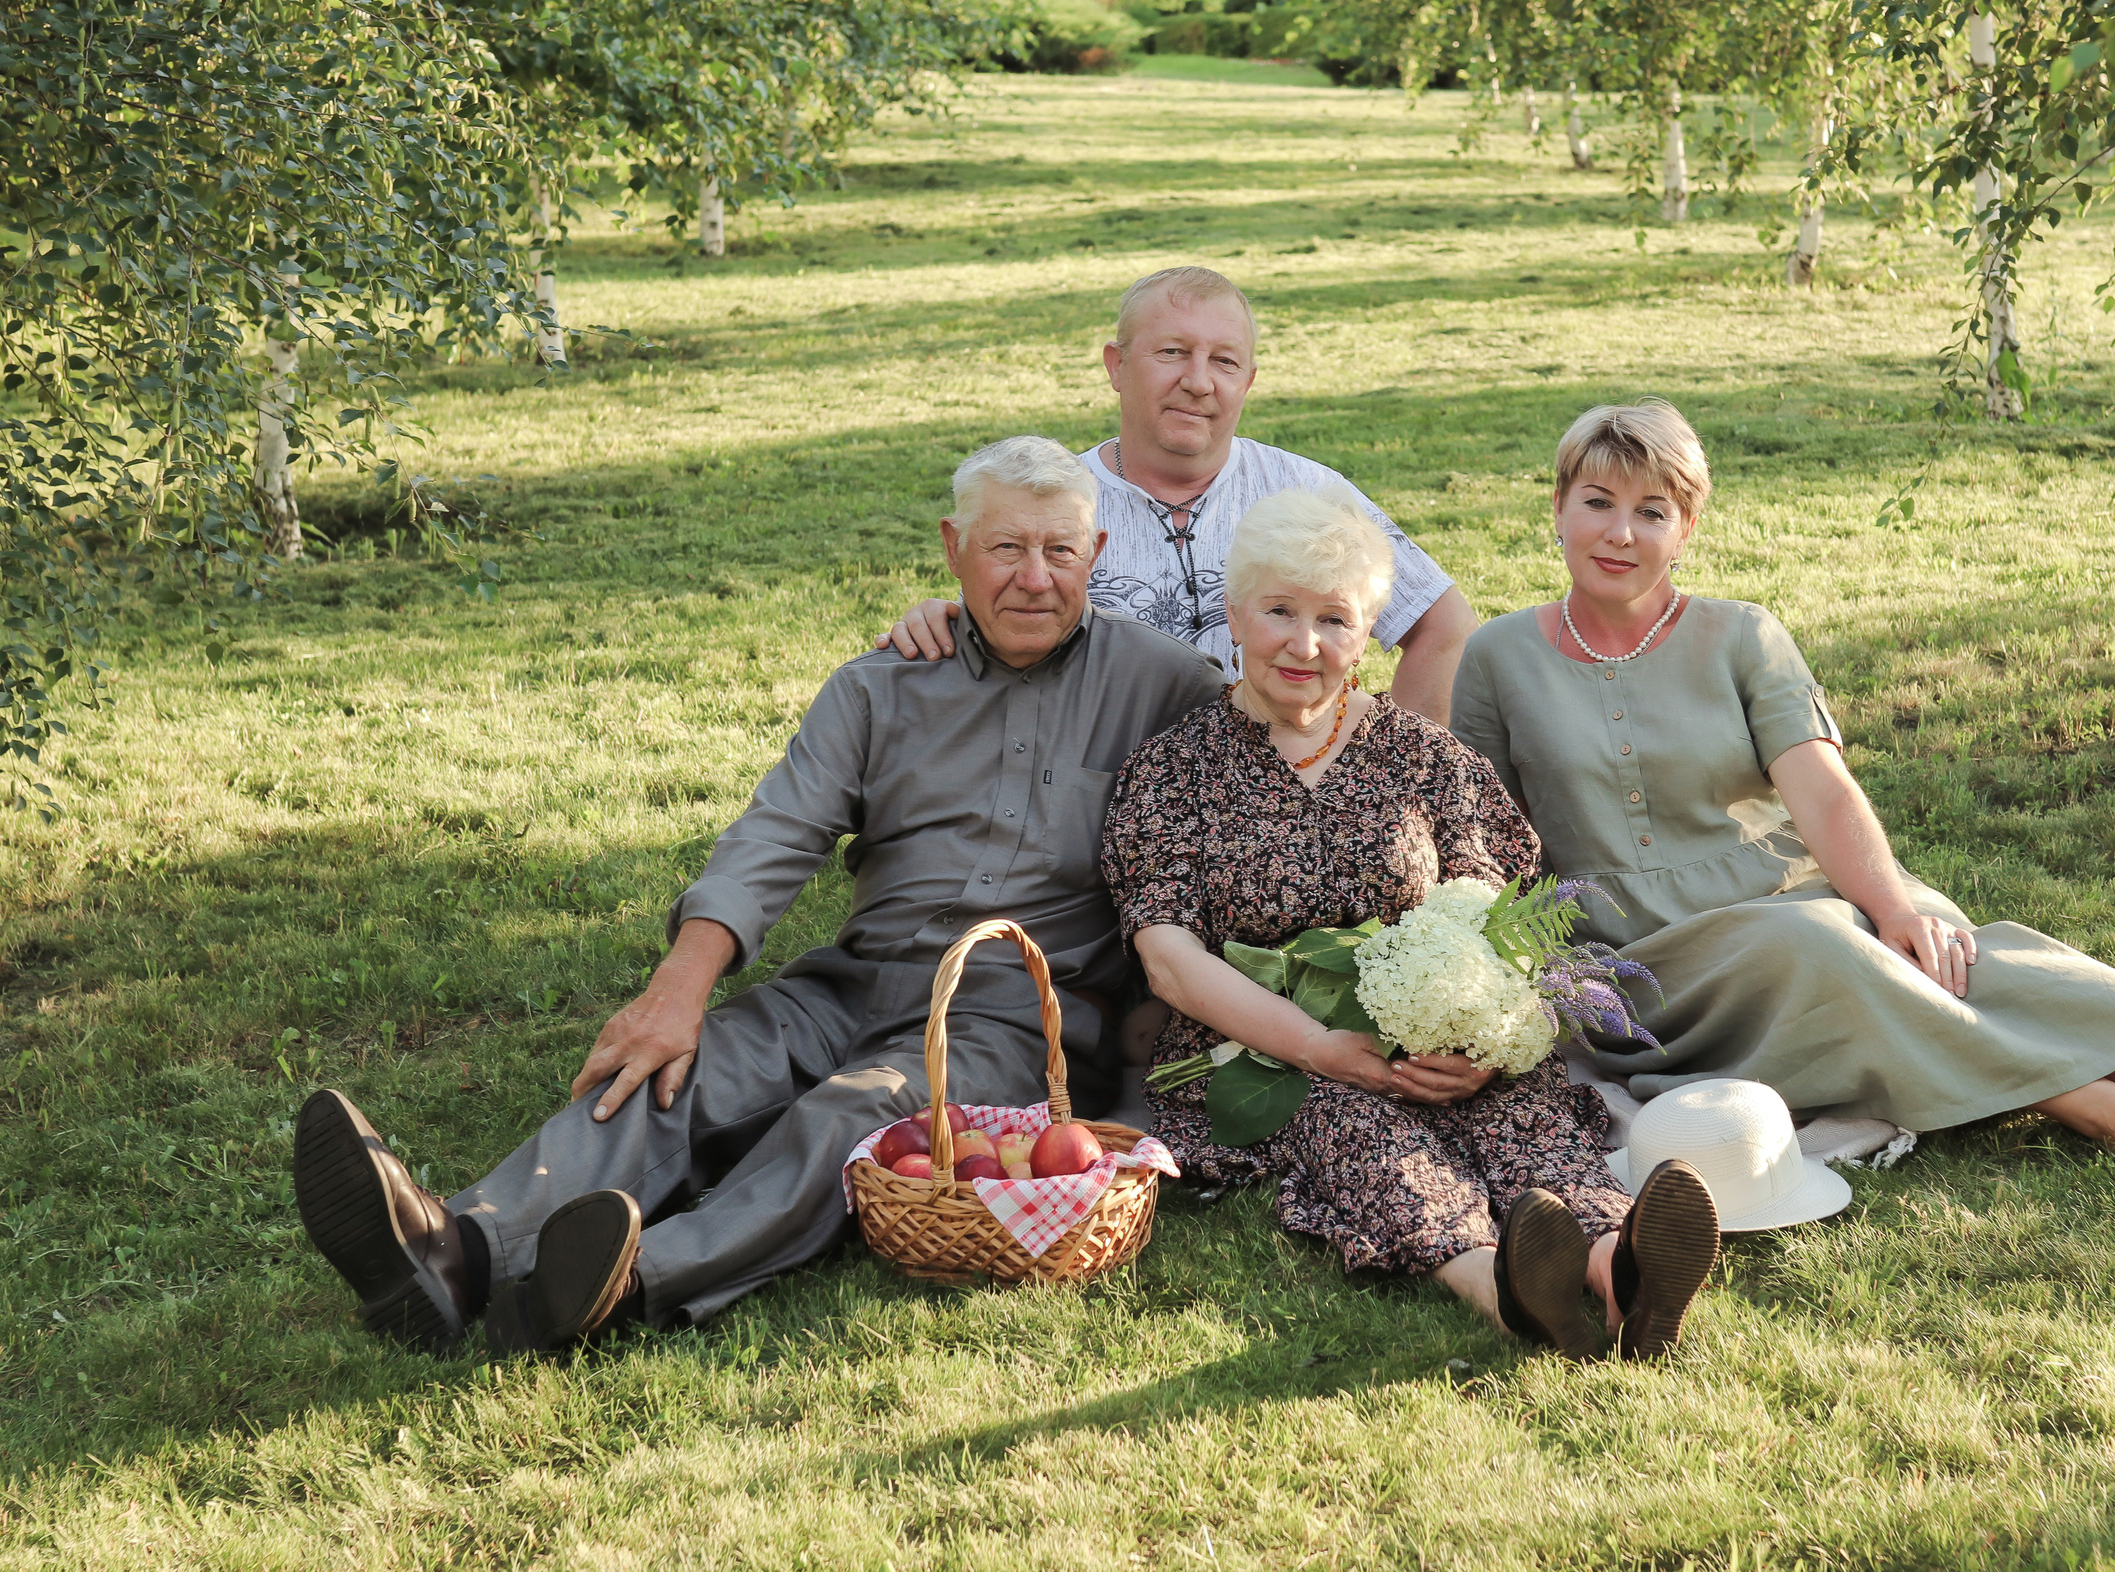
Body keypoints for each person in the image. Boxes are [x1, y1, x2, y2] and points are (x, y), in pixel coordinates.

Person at [292, 437, 1227, 1355]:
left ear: (1095, 555)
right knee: (682, 1075)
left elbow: (1284, 731)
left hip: (1011, 1017)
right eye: (1006, 548)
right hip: (850, 981)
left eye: (1060, 550)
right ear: (953, 549)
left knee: (854, 1117)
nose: (1035, 577)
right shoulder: (879, 686)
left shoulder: (1169, 686)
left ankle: (627, 1279)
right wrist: (678, 992)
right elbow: (778, 832)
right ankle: (453, 1248)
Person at [1448, 401, 2115, 1205]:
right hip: (1638, 957)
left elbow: (1819, 788)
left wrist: (1896, 901)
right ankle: (2104, 1111)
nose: (1621, 532)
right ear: (1558, 507)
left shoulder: (1744, 637)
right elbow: (1481, 843)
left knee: (1969, 960)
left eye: (1652, 509)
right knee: (1828, 950)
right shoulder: (1496, 656)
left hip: (1789, 888)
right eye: (1597, 501)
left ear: (1687, 527)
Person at [1101, 487, 1724, 1361]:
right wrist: (1318, 1045)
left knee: (1524, 1113)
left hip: (1438, 1040)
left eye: (1336, 619)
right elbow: (1168, 958)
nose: (1305, 644)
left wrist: (1475, 1039)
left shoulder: (1425, 758)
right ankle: (1502, 1285)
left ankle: (1623, 1266)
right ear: (1236, 612)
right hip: (1269, 1053)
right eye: (1280, 611)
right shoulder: (1173, 771)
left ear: (1368, 634)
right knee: (1358, 1128)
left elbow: (1495, 905)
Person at [876, 266, 1482, 725]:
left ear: (1248, 381)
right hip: (1106, 816)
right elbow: (1001, 637)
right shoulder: (1054, 502)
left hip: (1290, 802)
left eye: (1223, 361)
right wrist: (945, 620)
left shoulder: (1310, 492)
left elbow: (1443, 626)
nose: (1197, 381)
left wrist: (1386, 775)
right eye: (1171, 353)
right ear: (1117, 366)